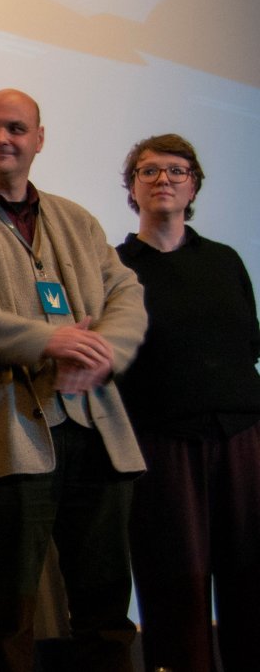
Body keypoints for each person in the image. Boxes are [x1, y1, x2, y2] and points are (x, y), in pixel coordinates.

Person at [0, 89, 147, 672]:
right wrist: (49, 339)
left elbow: (126, 293)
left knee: (106, 607)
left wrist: (99, 353)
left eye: (15, 128)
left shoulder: (77, 219)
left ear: (40, 139)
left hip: (97, 427)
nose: (1, 140)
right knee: (11, 613)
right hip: (9, 432)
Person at [115, 134, 260, 672]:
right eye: (148, 172)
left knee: (252, 576)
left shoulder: (225, 261)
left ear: (193, 184)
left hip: (243, 440)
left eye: (176, 171)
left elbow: (248, 344)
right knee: (177, 584)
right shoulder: (116, 268)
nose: (163, 181)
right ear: (131, 188)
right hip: (162, 444)